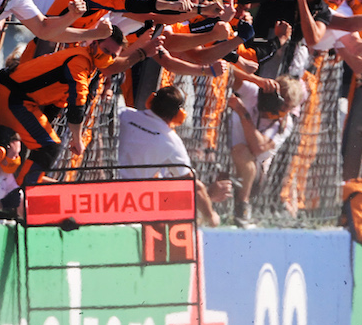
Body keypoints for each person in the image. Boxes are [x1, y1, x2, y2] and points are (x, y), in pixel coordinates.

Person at [0, 27, 125, 194]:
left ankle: (19, 192)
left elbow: (60, 103)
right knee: (49, 147)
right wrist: (77, 140)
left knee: (42, 146)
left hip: (19, 99)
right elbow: (77, 104)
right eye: (106, 50)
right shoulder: (79, 61)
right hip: (13, 98)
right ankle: (21, 197)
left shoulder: (88, 65)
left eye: (113, 56)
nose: (108, 57)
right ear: (94, 43)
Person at [117, 85, 231, 226]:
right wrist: (211, 215)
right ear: (180, 115)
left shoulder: (124, 114)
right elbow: (193, 184)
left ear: (151, 100)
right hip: (134, 202)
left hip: (104, 190)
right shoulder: (171, 140)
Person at [227, 74, 307, 227]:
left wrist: (243, 113)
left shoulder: (285, 123)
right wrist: (257, 80)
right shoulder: (254, 93)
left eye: (286, 107)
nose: (280, 108)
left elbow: (258, 147)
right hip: (224, 153)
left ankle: (243, 206)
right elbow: (230, 74)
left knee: (242, 151)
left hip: (254, 172)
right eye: (280, 101)